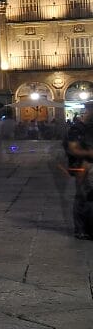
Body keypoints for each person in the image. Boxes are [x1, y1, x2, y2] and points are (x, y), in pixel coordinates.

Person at [63, 102, 93, 239]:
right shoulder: (77, 128)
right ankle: (81, 230)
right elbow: (72, 148)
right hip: (83, 167)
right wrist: (89, 153)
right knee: (83, 197)